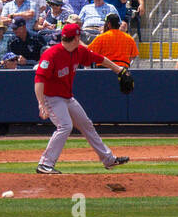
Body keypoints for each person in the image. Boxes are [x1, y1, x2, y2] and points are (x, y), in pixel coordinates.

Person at [33, 22, 131, 175]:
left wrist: (118, 69)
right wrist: (41, 104)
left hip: (67, 97)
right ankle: (45, 164)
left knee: (86, 124)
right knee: (65, 126)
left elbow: (100, 58)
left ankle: (108, 159)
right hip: (51, 98)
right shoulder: (51, 54)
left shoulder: (78, 51)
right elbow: (39, 80)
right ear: (76, 38)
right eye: (79, 37)